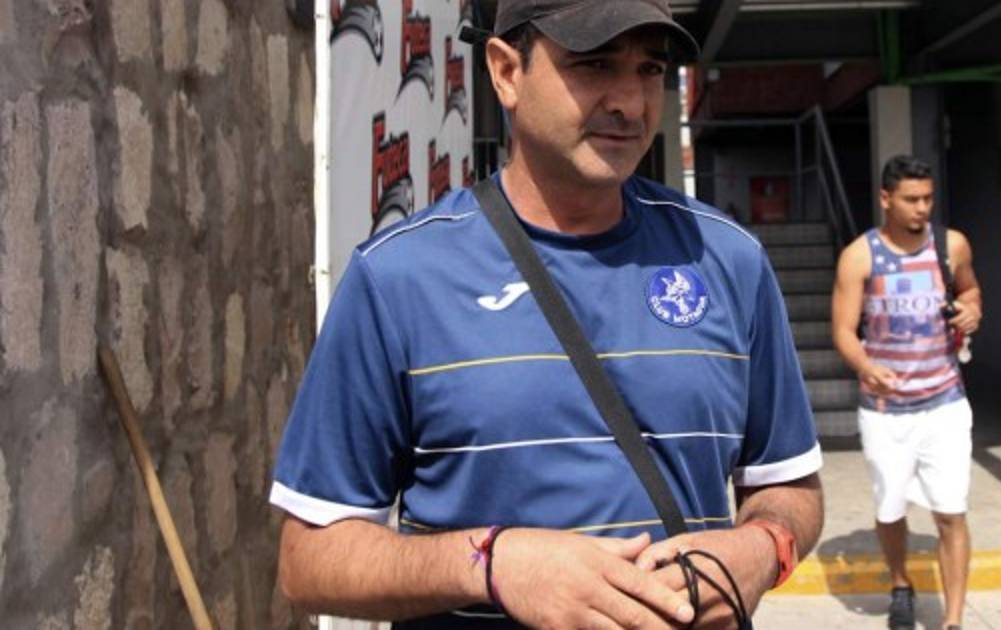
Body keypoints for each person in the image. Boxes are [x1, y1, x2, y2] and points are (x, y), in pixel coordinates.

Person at [269, 1, 824, 628]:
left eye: (649, 69)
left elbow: (789, 485)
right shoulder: (397, 278)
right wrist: (492, 562)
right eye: (594, 64)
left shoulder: (728, 259)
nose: (630, 103)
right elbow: (307, 561)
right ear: (506, 72)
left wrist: (763, 548)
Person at [831, 155, 982, 630]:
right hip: (885, 410)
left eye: (928, 199)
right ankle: (901, 583)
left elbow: (971, 291)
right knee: (890, 509)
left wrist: (972, 310)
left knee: (951, 512)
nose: (922, 208)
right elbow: (843, 330)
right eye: (911, 199)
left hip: (945, 403)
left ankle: (953, 620)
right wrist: (865, 366)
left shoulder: (951, 245)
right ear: (886, 198)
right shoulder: (860, 256)